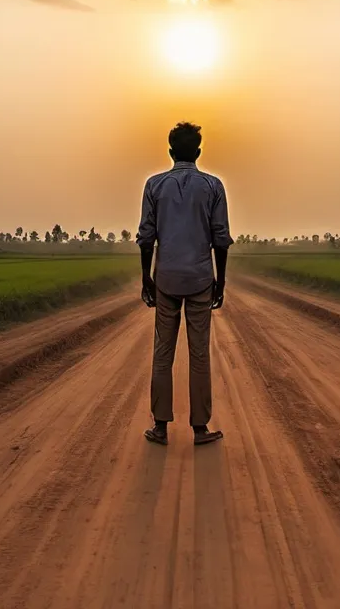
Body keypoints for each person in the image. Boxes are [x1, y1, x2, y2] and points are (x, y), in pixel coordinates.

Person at [136, 121, 233, 446]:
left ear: (170, 151)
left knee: (163, 352)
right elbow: (221, 239)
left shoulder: (154, 185)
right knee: (199, 353)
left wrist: (146, 277)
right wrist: (221, 280)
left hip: (165, 278)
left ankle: (160, 427)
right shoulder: (213, 186)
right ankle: (200, 428)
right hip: (201, 277)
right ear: (199, 152)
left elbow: (146, 238)